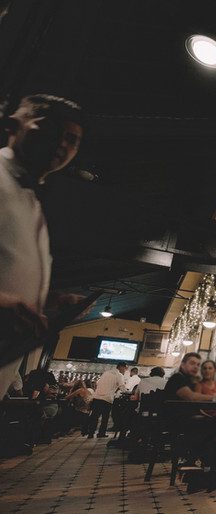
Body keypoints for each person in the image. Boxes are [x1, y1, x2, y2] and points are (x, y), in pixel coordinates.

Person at [0, 95, 84, 399]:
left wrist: (47, 301)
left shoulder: (33, 204)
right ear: (13, 125)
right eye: (51, 130)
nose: (62, 143)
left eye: (72, 139)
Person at [87, 362, 128, 438]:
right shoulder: (119, 375)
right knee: (105, 417)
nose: (125, 371)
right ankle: (101, 433)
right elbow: (122, 386)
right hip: (107, 398)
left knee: (95, 417)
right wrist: (128, 392)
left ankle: (90, 434)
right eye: (125, 368)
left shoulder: (106, 373)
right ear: (121, 367)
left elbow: (98, 383)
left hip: (97, 397)